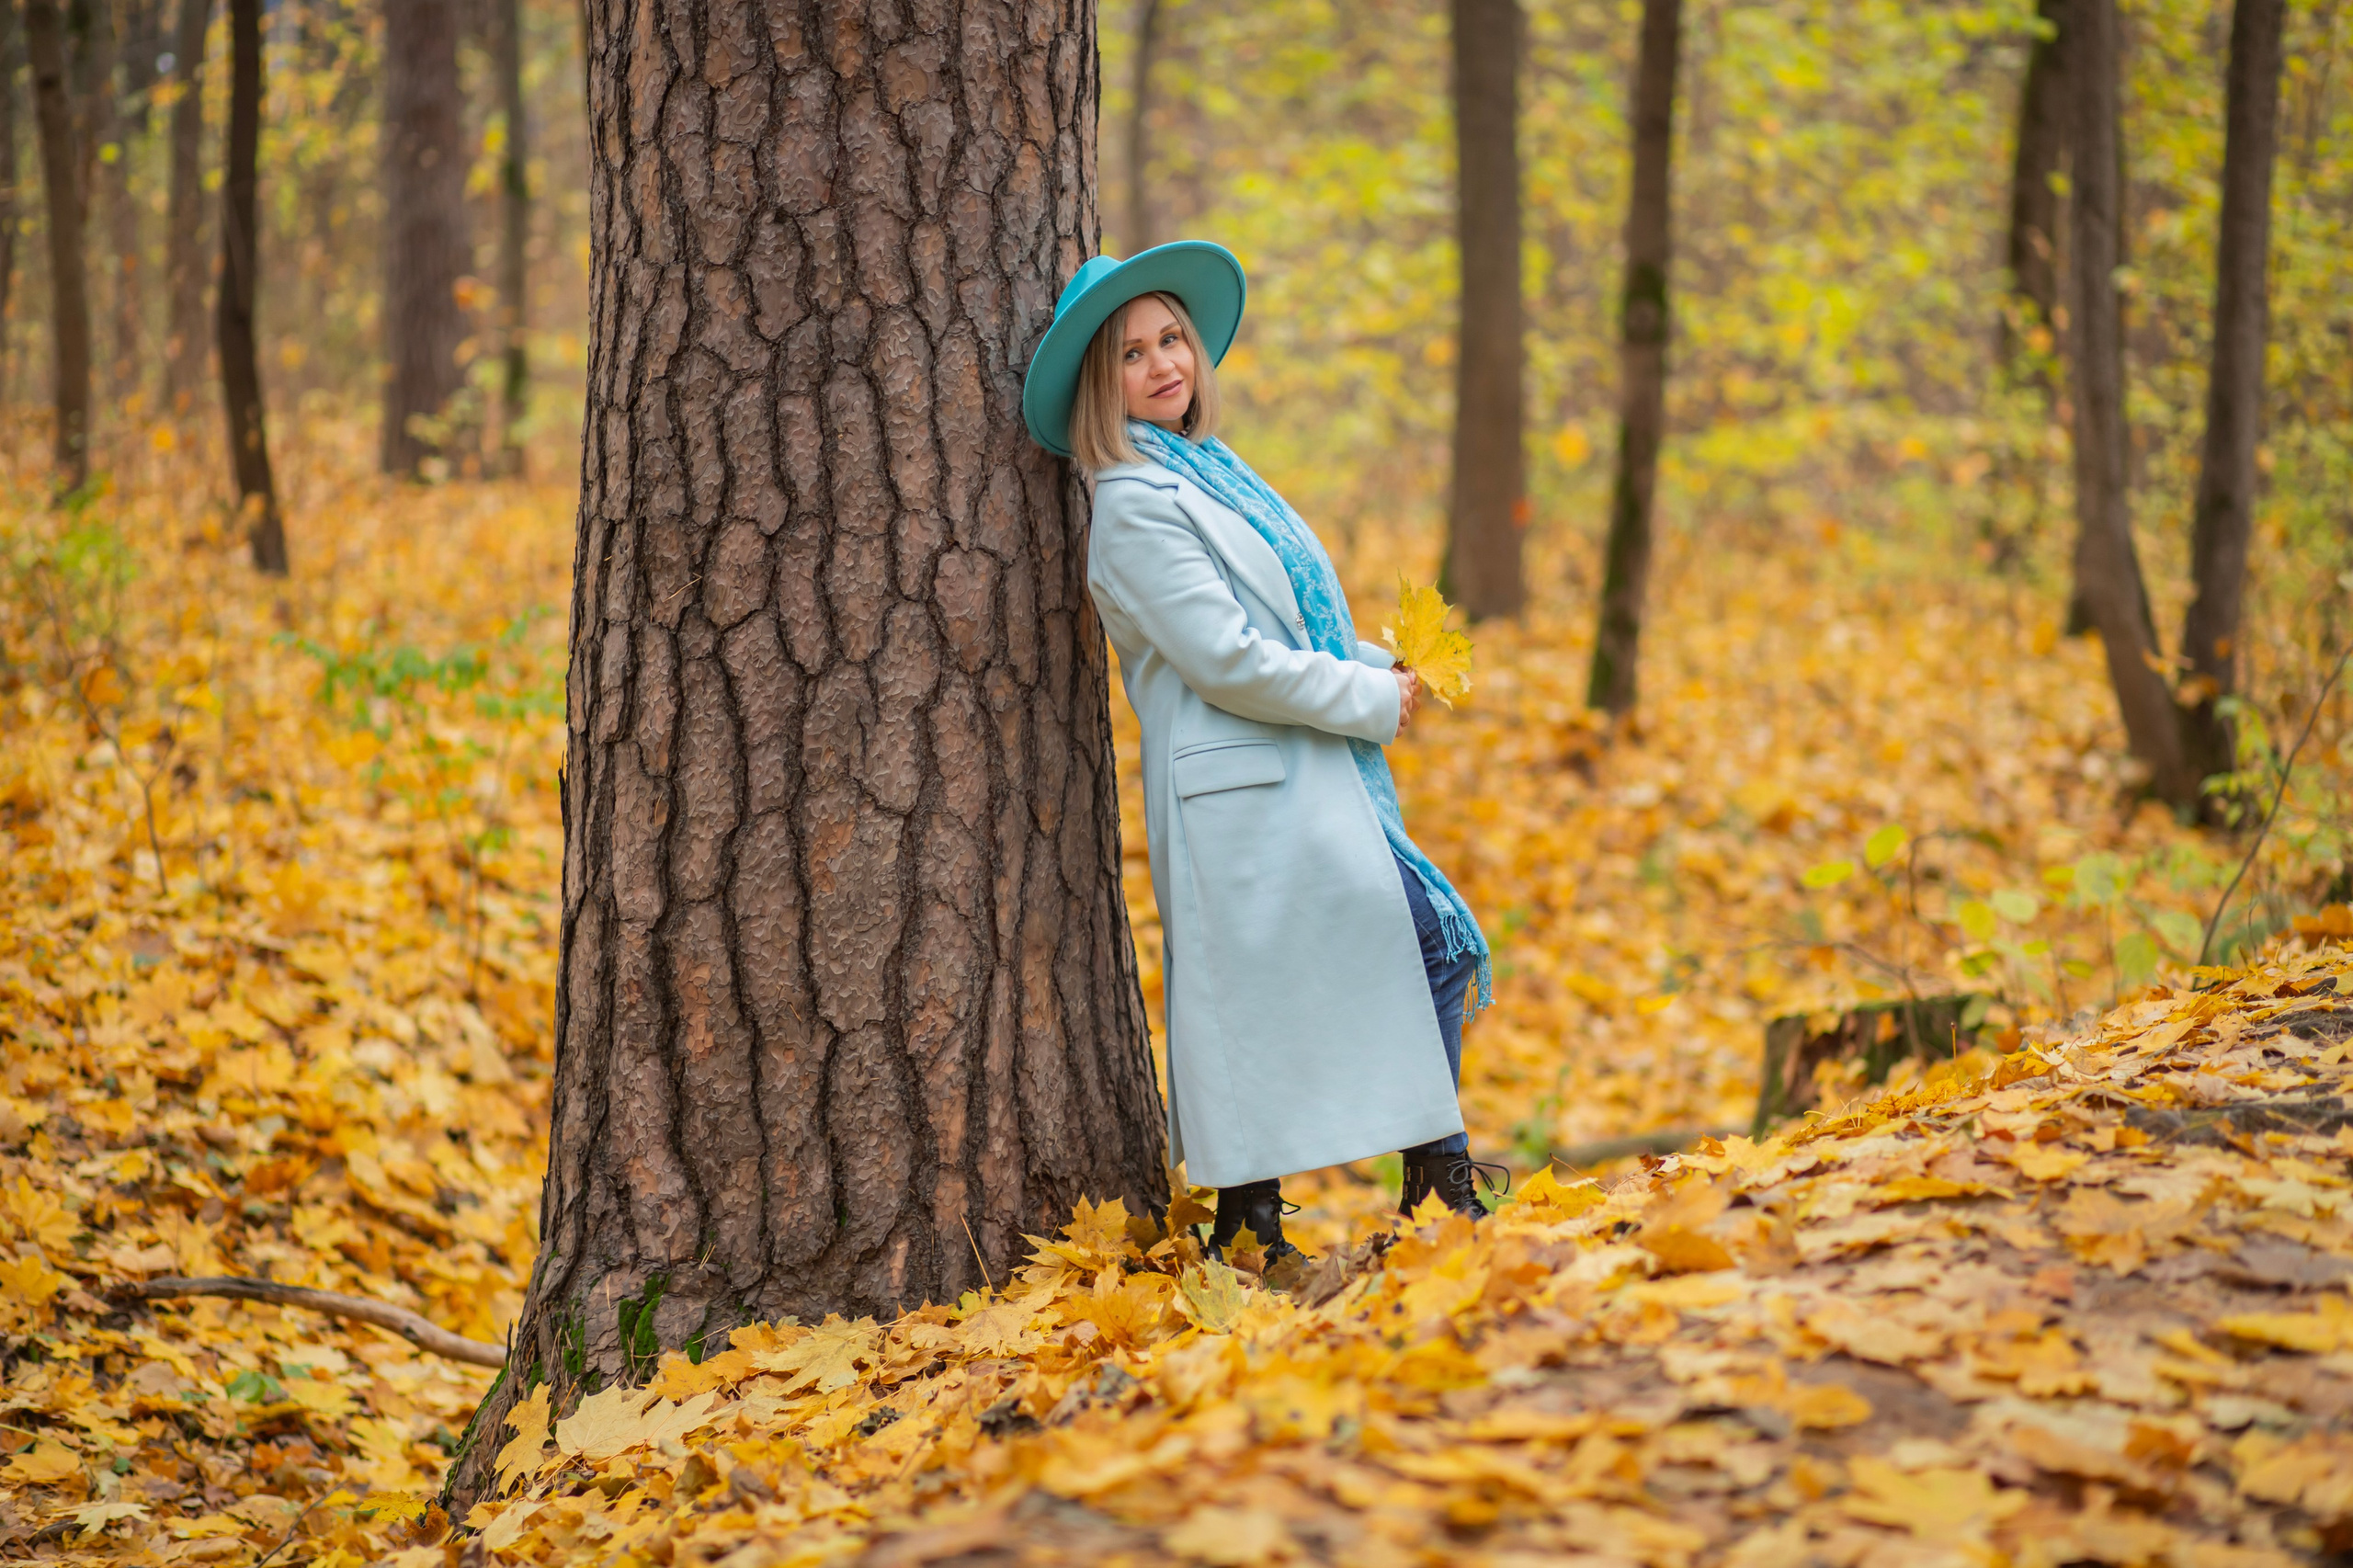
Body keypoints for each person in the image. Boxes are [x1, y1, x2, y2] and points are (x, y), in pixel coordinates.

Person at [1019, 241, 1503, 1265]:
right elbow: (1229, 662)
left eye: (1170, 340)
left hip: (1294, 773)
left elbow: (1285, 622)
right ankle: (1295, 1216)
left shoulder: (1211, 475)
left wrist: (1381, 663)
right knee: (1320, 984)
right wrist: (1368, 697)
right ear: (1097, 389)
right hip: (1239, 787)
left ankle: (1414, 1189)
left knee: (1385, 960)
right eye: (1130, 356)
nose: (1162, 365)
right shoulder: (1134, 508)